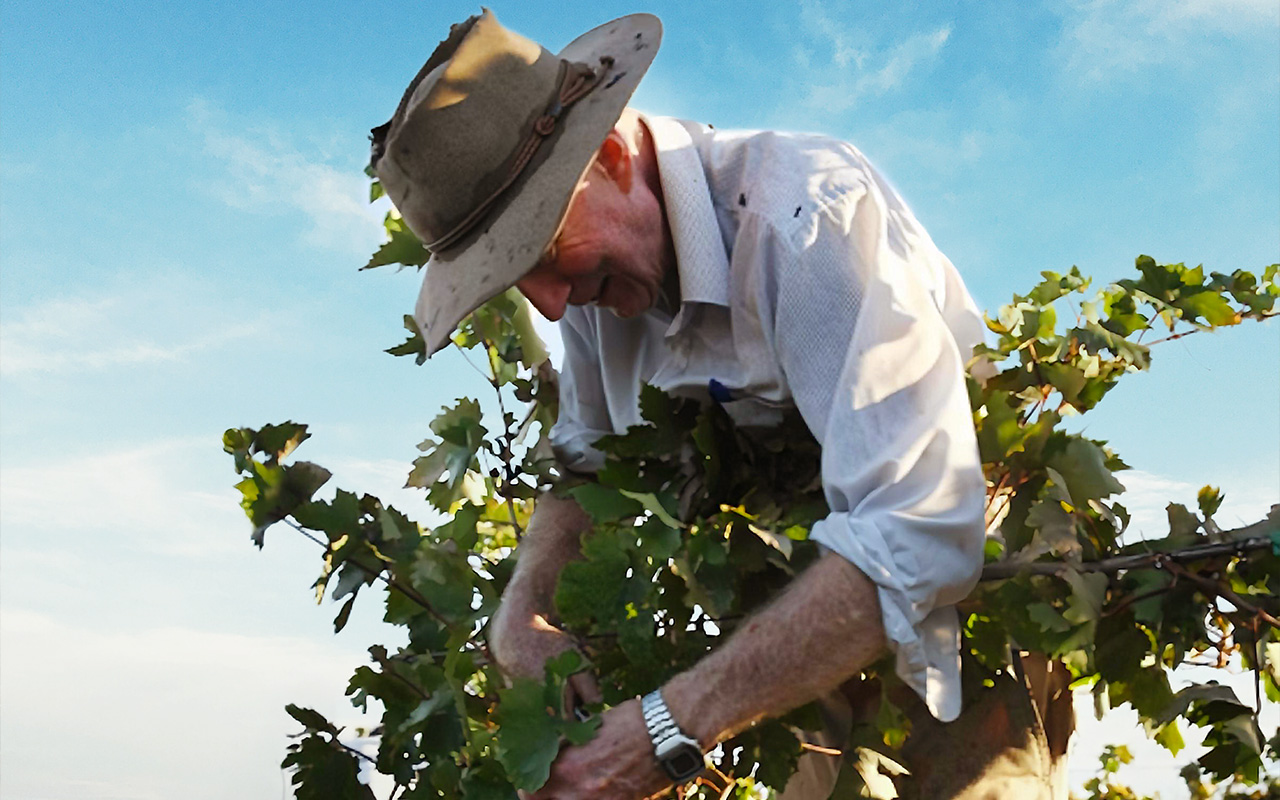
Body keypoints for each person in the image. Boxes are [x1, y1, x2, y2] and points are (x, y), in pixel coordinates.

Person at [371, 10, 1001, 799]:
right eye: (513, 278)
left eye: (540, 250)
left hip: (966, 634)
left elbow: (917, 527)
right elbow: (583, 463)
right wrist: (520, 611)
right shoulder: (595, 295)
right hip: (793, 642)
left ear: (609, 155)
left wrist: (667, 727)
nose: (554, 306)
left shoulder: (804, 219)